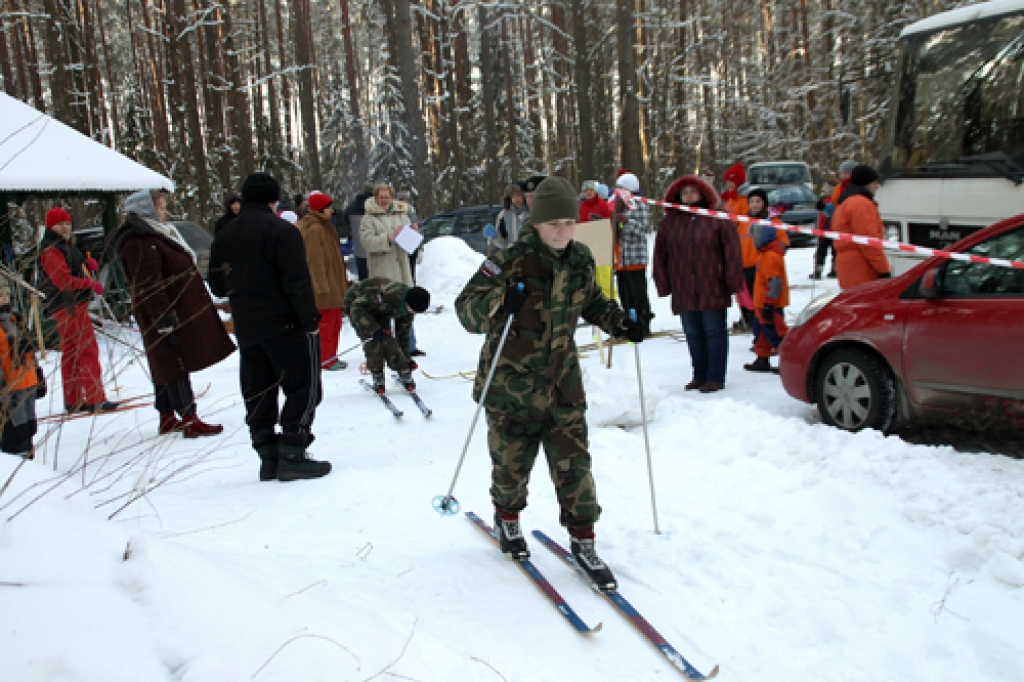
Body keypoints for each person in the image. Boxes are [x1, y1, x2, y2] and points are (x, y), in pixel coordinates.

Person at [455, 176, 645, 591]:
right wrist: (500, 303)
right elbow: (465, 309)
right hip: (512, 387)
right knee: (511, 467)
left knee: (575, 466)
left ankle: (584, 541)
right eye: (552, 223)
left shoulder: (579, 259)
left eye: (568, 222)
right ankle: (506, 520)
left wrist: (619, 320)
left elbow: (591, 299)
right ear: (536, 222)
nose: (561, 231)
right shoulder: (510, 260)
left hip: (562, 385)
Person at [209, 172, 331, 482]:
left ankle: (267, 454)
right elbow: (297, 281)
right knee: (303, 386)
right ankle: (292, 451)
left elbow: (217, 285)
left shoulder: (224, 234)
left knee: (259, 388)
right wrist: (309, 321)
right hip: (285, 322)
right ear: (273, 199)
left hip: (248, 325)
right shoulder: (281, 230)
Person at [114, 189, 235, 436]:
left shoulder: (156, 235)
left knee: (165, 363)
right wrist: (164, 319)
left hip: (175, 310)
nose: (165, 211)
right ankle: (189, 417)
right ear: (146, 209)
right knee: (174, 362)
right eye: (159, 207)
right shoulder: (139, 241)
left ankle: (167, 416)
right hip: (164, 314)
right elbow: (149, 284)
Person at [653, 175, 744, 393]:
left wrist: (732, 281)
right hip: (683, 286)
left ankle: (715, 377)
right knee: (692, 332)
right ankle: (699, 374)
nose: (689, 196)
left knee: (714, 331)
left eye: (693, 192)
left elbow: (732, 252)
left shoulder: (717, 218)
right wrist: (664, 284)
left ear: (703, 194)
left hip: (712, 285)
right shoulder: (670, 223)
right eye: (685, 193)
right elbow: (660, 255)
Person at [37, 207, 118, 413]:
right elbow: (63, 280)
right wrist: (88, 283)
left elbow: (71, 266)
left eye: (67, 223)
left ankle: (73, 399)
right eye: (60, 224)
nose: (65, 227)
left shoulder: (63, 245)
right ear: (50, 226)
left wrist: (85, 263)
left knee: (71, 352)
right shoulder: (51, 249)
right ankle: (95, 398)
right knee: (87, 349)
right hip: (69, 304)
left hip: (67, 305)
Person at [343, 277, 430, 394]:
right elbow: (357, 307)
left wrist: (406, 360)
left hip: (380, 310)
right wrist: (373, 329)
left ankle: (403, 371)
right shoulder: (389, 297)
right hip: (358, 305)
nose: (412, 314)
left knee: (388, 340)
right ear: (407, 303)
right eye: (412, 310)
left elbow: (402, 335)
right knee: (374, 343)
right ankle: (377, 374)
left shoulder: (408, 310)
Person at [297, 192, 350, 371]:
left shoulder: (325, 226)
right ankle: (325, 358)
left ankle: (331, 355)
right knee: (326, 325)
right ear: (320, 209)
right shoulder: (314, 229)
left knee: (335, 322)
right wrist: (321, 286)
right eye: (328, 207)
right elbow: (315, 261)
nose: (331, 211)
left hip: (333, 283)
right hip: (324, 288)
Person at [832, 165, 891, 289]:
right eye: (875, 182)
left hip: (849, 265)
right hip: (861, 266)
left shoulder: (847, 202)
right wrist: (883, 270)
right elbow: (869, 241)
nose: (877, 186)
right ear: (867, 183)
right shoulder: (861, 204)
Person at [0, 285, 42, 459]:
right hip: (18, 391)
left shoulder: (13, 322)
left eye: (4, 293)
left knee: (21, 435)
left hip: (19, 391)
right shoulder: (12, 322)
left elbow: (29, 353)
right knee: (21, 436)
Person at [610, 172, 653, 336]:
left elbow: (642, 229)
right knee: (625, 295)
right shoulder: (617, 204)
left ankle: (643, 323)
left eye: (621, 188)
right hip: (620, 258)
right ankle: (629, 323)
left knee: (638, 294)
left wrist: (626, 221)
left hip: (634, 257)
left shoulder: (639, 205)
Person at [743, 223, 789, 373]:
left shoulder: (770, 257)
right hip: (761, 304)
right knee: (761, 333)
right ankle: (762, 359)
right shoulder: (764, 254)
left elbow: (775, 282)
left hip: (769, 305)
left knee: (776, 334)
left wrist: (769, 304)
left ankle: (788, 362)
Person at [361, 183, 415, 285]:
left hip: (402, 269)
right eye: (381, 197)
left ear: (392, 198)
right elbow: (367, 242)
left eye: (387, 197)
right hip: (382, 271)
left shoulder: (401, 215)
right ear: (376, 198)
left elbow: (410, 243)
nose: (384, 200)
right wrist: (388, 238)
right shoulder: (368, 218)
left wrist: (412, 233)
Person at [396, 190, 425, 357]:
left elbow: (417, 235)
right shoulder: (395, 218)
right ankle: (401, 344)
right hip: (397, 267)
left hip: (409, 266)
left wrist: (417, 242)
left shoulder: (411, 214)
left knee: (408, 304)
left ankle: (410, 343)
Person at [343, 182, 374, 281]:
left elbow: (346, 225)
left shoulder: (351, 208)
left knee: (363, 279)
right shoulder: (375, 207)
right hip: (375, 248)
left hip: (358, 248)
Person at [812, 179, 839, 279]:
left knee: (822, 251)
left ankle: (818, 271)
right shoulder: (832, 200)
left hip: (826, 230)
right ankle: (834, 270)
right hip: (831, 230)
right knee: (834, 251)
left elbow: (823, 217)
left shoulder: (828, 201)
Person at [495, 183, 527, 248]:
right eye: (513, 196)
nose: (516, 199)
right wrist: (495, 237)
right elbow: (502, 243)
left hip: (531, 254)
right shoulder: (503, 215)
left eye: (518, 195)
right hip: (512, 254)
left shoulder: (532, 212)